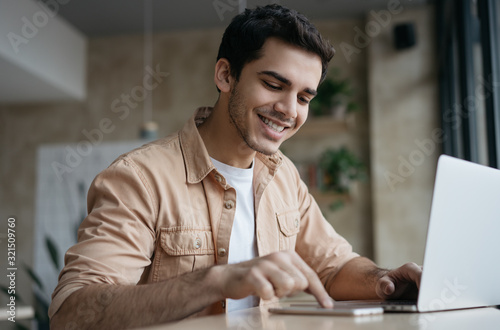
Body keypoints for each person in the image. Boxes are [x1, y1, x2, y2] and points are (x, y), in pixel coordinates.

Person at [50, 4, 421, 329]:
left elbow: (334, 266)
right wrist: (215, 281)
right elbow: (71, 314)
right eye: (274, 84)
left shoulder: (284, 177)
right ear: (225, 75)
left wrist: (384, 281)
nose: (290, 110)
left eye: (304, 97)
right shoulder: (140, 178)